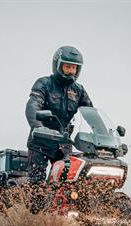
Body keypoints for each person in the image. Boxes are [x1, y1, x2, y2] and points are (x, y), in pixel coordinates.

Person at [25, 45, 93, 184]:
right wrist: (38, 126)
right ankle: (32, 205)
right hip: (41, 141)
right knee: (36, 183)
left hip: (64, 144)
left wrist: (102, 136)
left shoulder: (79, 90)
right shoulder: (44, 84)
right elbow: (33, 105)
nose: (71, 71)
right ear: (58, 65)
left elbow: (90, 113)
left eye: (74, 68)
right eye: (67, 67)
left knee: (68, 181)